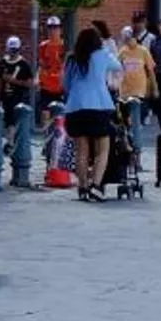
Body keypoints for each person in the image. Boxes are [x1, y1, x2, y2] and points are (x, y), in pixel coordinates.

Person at [62, 25, 122, 200]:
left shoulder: (72, 59)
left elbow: (65, 85)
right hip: (98, 105)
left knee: (81, 150)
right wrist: (105, 48)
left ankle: (82, 187)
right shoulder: (102, 55)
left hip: (75, 107)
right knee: (102, 149)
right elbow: (117, 65)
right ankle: (96, 185)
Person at [0, 37, 37, 187]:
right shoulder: (2, 62)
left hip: (19, 99)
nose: (13, 53)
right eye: (11, 50)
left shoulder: (24, 64)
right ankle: (10, 142)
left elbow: (31, 83)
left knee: (15, 122)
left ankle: (12, 144)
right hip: (5, 98)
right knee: (7, 122)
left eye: (15, 50)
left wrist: (15, 82)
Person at [116, 23, 157, 139]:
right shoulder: (122, 51)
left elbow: (151, 70)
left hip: (138, 91)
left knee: (135, 119)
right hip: (125, 90)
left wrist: (155, 88)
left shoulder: (143, 51)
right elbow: (116, 70)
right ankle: (132, 143)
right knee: (128, 120)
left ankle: (136, 146)